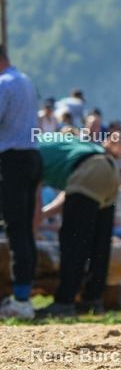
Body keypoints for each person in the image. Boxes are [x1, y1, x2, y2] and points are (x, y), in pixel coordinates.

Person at [34, 134, 120, 318]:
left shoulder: (27, 151)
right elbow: (74, 190)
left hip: (88, 171)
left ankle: (64, 302)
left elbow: (35, 196)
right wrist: (44, 215)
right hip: (109, 169)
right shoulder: (53, 142)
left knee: (73, 242)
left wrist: (31, 232)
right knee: (100, 242)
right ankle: (92, 299)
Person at [0, 45, 45, 320]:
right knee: (25, 231)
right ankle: (23, 295)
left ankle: (20, 301)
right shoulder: (25, 80)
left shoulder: (4, 83)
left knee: (16, 231)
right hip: (31, 157)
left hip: (12, 161)